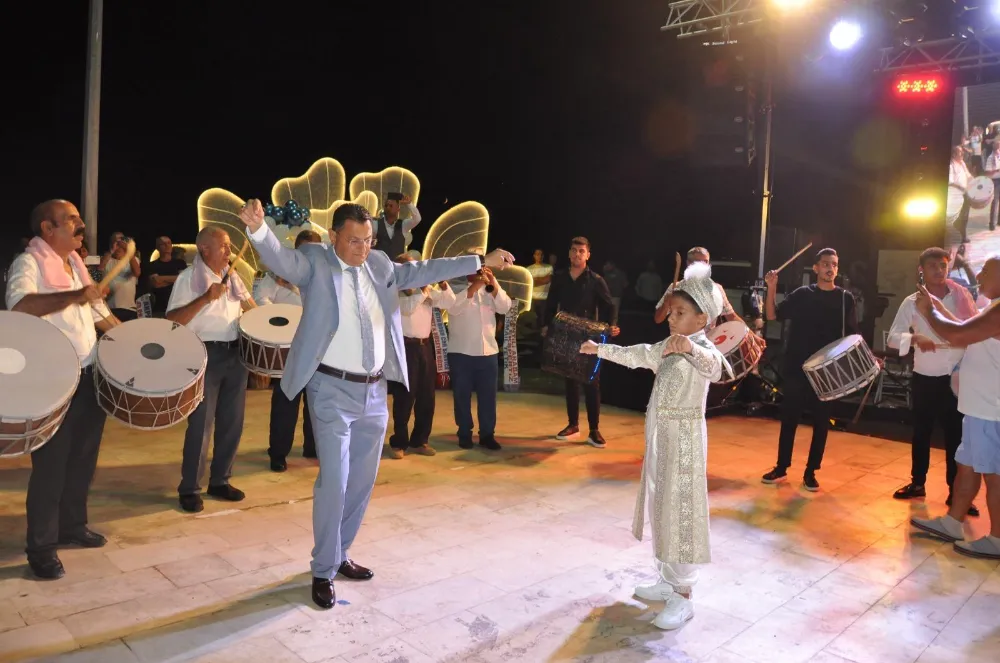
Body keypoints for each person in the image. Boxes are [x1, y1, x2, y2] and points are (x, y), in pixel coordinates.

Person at [240, 199, 513, 610]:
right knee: (334, 480)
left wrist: (479, 260)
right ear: (334, 237)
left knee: (362, 481)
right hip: (330, 390)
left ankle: (340, 553)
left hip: (373, 392)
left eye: (368, 240)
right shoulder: (315, 261)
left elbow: (425, 270)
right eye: (354, 241)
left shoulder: (381, 264)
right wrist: (259, 230)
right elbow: (281, 259)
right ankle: (322, 569)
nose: (362, 248)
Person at [580, 262, 729, 629]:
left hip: (685, 444)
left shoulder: (702, 347)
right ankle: (667, 579)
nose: (671, 319)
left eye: (680, 313)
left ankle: (684, 595)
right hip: (661, 439)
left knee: (681, 513)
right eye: (672, 312)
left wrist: (691, 349)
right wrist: (600, 350)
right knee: (660, 507)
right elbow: (639, 353)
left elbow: (718, 368)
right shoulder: (667, 344)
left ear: (702, 319)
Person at [6, 199, 121, 579]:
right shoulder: (30, 263)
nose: (80, 224)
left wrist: (135, 340)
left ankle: (72, 525)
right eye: (71, 219)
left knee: (82, 460)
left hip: (89, 376)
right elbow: (19, 308)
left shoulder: (75, 265)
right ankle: (41, 547)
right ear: (47, 228)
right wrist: (76, 296)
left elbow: (100, 316)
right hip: (53, 380)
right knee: (51, 468)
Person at [910, 256, 1000, 560]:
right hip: (979, 408)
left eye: (986, 271)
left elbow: (958, 335)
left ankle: (998, 539)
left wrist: (930, 312)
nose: (979, 276)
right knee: (967, 468)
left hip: (991, 410)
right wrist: (937, 306)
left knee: (994, 476)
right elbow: (964, 328)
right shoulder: (992, 308)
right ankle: (952, 522)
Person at [167, 227, 256, 513]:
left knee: (232, 422)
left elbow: (252, 310)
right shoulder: (188, 278)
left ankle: (220, 480)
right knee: (200, 425)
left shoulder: (234, 279)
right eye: (224, 246)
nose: (230, 252)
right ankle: (190, 488)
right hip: (204, 354)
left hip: (236, 354)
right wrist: (205, 298)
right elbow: (172, 320)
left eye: (230, 246)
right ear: (204, 249)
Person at [887, 248, 980, 516]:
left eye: (943, 265)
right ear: (921, 270)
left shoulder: (960, 296)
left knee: (955, 437)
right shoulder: (912, 302)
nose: (939, 271)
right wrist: (915, 339)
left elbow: (973, 330)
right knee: (921, 433)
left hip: (957, 377)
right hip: (925, 376)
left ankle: (956, 492)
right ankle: (918, 483)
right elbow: (893, 337)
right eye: (933, 266)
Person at [761, 248, 859, 491]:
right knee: (789, 419)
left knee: (821, 422)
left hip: (827, 370)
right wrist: (772, 287)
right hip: (797, 365)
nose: (830, 268)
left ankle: (811, 472)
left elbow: (853, 335)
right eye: (825, 264)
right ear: (815, 268)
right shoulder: (803, 294)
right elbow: (772, 315)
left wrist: (868, 357)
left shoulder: (845, 299)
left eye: (834, 264)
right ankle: (781, 467)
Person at [543, 237, 618, 448]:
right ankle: (573, 425)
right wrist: (546, 325)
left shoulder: (595, 280)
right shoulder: (560, 278)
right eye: (574, 250)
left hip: (588, 337)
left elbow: (610, 306)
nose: (577, 254)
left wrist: (611, 326)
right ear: (569, 253)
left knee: (592, 382)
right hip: (565, 335)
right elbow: (551, 304)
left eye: (581, 251)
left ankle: (594, 430)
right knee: (570, 379)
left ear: (588, 255)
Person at [260, 230, 323, 472]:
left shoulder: (324, 275)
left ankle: (313, 447)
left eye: (315, 249)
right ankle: (278, 453)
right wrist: (281, 318)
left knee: (317, 402)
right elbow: (260, 299)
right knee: (285, 402)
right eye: (305, 249)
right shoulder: (279, 272)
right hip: (287, 347)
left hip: (317, 346)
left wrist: (295, 289)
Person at [387, 253, 456, 459]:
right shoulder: (395, 289)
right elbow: (407, 309)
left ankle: (420, 441)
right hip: (406, 347)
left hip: (425, 346)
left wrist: (443, 284)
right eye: (410, 267)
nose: (416, 271)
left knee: (427, 397)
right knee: (405, 396)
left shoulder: (424, 289)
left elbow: (449, 302)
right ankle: (399, 443)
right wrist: (424, 289)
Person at [445, 259, 512, 450]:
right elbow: (453, 307)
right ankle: (464, 433)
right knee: (462, 396)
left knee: (488, 397)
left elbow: (505, 306)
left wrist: (493, 282)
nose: (479, 270)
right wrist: (474, 286)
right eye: (475, 266)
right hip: (461, 352)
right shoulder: (455, 286)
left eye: (482, 266)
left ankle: (487, 435)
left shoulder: (490, 287)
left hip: (488, 351)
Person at [654, 247, 738, 329]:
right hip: (682, 337)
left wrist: (745, 331)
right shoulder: (676, 287)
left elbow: (731, 316)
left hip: (708, 337)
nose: (702, 265)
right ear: (688, 263)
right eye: (698, 261)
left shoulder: (717, 289)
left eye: (705, 261)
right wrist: (666, 303)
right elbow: (658, 319)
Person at [100, 231, 141, 322]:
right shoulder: (107, 259)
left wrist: (128, 250)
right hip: (109, 308)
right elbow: (100, 270)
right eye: (115, 241)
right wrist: (112, 250)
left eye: (121, 241)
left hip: (129, 308)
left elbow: (137, 272)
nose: (119, 244)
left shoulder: (132, 259)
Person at [144, 236, 189, 316]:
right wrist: (176, 279)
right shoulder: (152, 265)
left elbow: (185, 280)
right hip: (160, 307)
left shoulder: (180, 263)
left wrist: (161, 278)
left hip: (178, 306)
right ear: (157, 248)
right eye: (163, 244)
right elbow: (156, 284)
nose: (167, 246)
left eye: (169, 243)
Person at [374, 192, 421, 258]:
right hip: (381, 263)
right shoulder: (376, 224)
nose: (388, 208)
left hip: (398, 264)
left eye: (391, 206)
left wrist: (409, 204)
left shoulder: (403, 225)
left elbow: (417, 219)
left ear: (398, 209)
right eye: (386, 205)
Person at [950, 146, 973, 243]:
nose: (962, 154)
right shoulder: (951, 165)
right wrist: (961, 187)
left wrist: (974, 181)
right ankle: (960, 235)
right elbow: (950, 182)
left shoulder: (962, 163)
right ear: (954, 154)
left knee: (965, 216)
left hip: (965, 193)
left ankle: (962, 234)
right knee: (960, 216)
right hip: (956, 194)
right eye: (960, 152)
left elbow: (968, 175)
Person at [526, 249, 553, 331]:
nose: (539, 256)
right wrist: (541, 279)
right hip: (532, 300)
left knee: (542, 322)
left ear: (543, 256)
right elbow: (529, 283)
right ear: (534, 256)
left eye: (541, 254)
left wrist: (535, 279)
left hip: (544, 299)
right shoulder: (528, 269)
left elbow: (547, 280)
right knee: (532, 322)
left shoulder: (549, 267)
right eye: (537, 254)